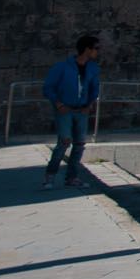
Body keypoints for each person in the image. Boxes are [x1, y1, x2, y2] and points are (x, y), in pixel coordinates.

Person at [41, 34, 102, 190]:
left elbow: (94, 89)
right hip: (65, 109)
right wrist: (58, 104)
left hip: (81, 110)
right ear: (87, 49)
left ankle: (72, 177)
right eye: (96, 48)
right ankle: (50, 176)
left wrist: (89, 105)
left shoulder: (93, 69)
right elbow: (48, 87)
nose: (97, 51)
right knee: (64, 142)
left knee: (79, 144)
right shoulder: (62, 67)